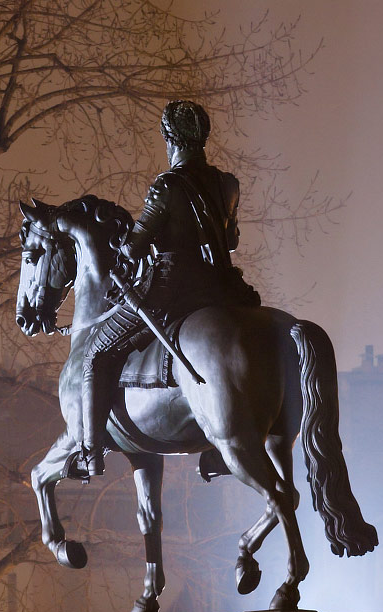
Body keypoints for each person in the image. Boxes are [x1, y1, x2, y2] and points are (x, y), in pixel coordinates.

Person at [77, 100, 258, 478]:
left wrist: (124, 247)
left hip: (172, 287)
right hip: (221, 288)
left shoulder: (166, 185)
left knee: (96, 353)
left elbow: (137, 245)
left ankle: (90, 451)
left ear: (169, 138)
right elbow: (232, 239)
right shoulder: (228, 184)